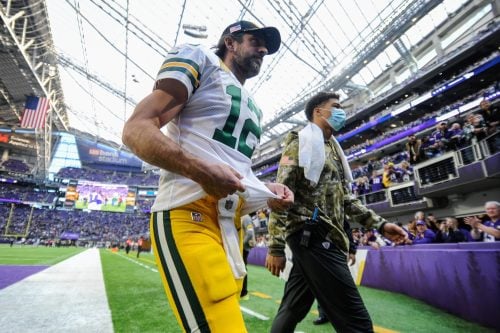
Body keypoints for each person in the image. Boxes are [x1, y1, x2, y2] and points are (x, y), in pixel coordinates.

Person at [122, 20, 293, 332]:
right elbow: (136, 129)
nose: (264, 50)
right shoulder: (200, 59)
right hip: (189, 213)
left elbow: (234, 170)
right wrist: (198, 170)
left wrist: (266, 191)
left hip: (231, 227)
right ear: (230, 42)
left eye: (265, 47)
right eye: (255, 41)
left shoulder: (254, 106)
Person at [265, 91, 408, 333]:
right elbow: (281, 194)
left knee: (293, 308)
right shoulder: (299, 143)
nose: (342, 112)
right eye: (336, 106)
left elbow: (346, 200)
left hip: (324, 235)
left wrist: (381, 225)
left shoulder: (332, 149)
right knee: (356, 320)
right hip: (312, 235)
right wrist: (276, 246)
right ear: (318, 112)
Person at [240, 214, 255, 300]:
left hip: (244, 247)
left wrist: (241, 244)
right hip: (244, 246)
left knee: (242, 267)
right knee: (242, 267)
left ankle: (243, 292)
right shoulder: (244, 217)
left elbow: (250, 233)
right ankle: (242, 291)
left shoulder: (246, 217)